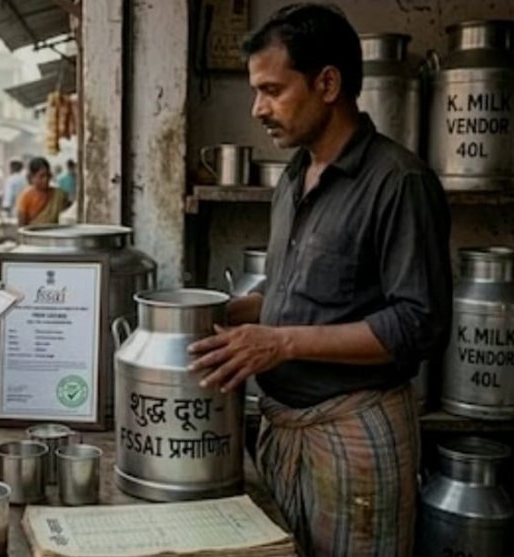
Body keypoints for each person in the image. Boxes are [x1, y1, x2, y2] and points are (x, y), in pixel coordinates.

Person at [188, 5, 452, 556]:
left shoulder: (398, 182)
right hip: (286, 433)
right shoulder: (293, 177)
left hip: (353, 435)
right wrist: (238, 312)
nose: (258, 108)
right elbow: (303, 293)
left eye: (272, 90)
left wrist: (281, 341)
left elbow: (418, 324)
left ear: (328, 83)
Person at [16, 157, 69, 226]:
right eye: (41, 176)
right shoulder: (26, 196)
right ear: (32, 177)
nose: (46, 179)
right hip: (33, 235)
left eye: (48, 175)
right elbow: (21, 225)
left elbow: (66, 217)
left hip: (53, 234)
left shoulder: (58, 195)